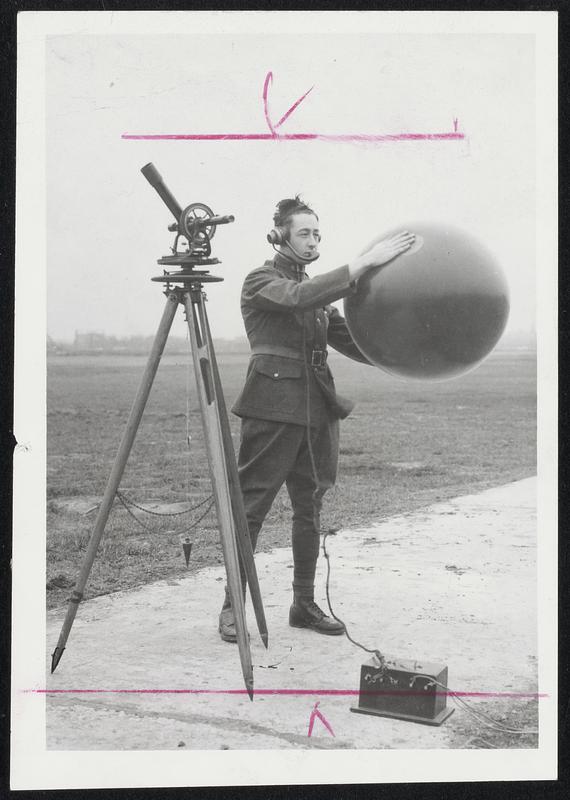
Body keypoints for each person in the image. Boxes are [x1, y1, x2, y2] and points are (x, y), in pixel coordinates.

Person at [219, 196, 415, 642]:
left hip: (317, 410)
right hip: (272, 409)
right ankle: (232, 608)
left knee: (309, 509)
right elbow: (297, 296)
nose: (313, 241)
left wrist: (409, 359)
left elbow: (359, 344)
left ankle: (303, 604)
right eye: (305, 233)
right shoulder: (261, 280)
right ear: (279, 236)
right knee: (251, 510)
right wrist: (360, 265)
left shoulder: (322, 300)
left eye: (318, 233)